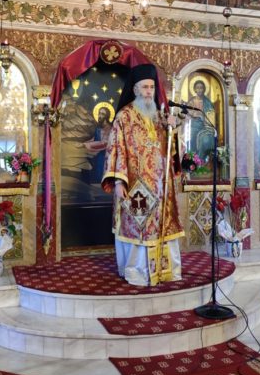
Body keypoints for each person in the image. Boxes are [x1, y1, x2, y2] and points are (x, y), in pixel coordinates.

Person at [102, 63, 184, 286]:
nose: (149, 91)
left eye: (152, 87)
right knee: (139, 227)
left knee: (162, 226)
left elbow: (171, 151)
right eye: (145, 87)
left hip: (161, 185)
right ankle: (139, 272)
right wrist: (118, 181)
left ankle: (166, 271)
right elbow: (116, 149)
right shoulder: (124, 116)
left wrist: (173, 130)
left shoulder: (160, 116)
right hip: (135, 184)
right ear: (135, 89)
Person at [186, 79, 216, 164]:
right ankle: (192, 160)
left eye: (201, 88)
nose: (199, 90)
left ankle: (201, 160)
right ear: (195, 89)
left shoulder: (207, 102)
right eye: (197, 88)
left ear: (204, 89)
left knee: (206, 139)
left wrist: (204, 116)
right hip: (193, 125)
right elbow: (187, 111)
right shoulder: (192, 101)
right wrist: (196, 114)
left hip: (205, 125)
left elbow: (211, 115)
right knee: (191, 136)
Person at [83, 106, 112, 183]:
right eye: (99, 113)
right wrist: (84, 143)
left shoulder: (109, 128)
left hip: (104, 157)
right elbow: (94, 139)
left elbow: (104, 143)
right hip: (96, 156)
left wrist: (88, 145)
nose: (100, 115)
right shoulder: (98, 128)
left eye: (102, 114)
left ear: (107, 116)